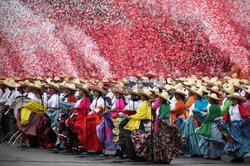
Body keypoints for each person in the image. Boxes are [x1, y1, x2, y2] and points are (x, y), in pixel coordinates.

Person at [215, 93, 249, 162]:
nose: (234, 100)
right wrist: (220, 119)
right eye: (233, 99)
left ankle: (240, 156)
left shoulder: (240, 106)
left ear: (238, 100)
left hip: (238, 127)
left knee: (238, 141)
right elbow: (226, 116)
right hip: (232, 126)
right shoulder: (230, 107)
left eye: (235, 99)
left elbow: (245, 115)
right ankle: (235, 156)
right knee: (232, 141)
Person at [196, 93, 225, 160]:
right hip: (217, 124)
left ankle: (212, 154)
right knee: (213, 141)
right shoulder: (216, 106)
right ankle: (215, 154)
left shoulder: (213, 107)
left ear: (213, 100)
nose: (208, 100)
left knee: (211, 139)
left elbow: (209, 116)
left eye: (210, 99)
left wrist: (204, 123)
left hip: (213, 124)